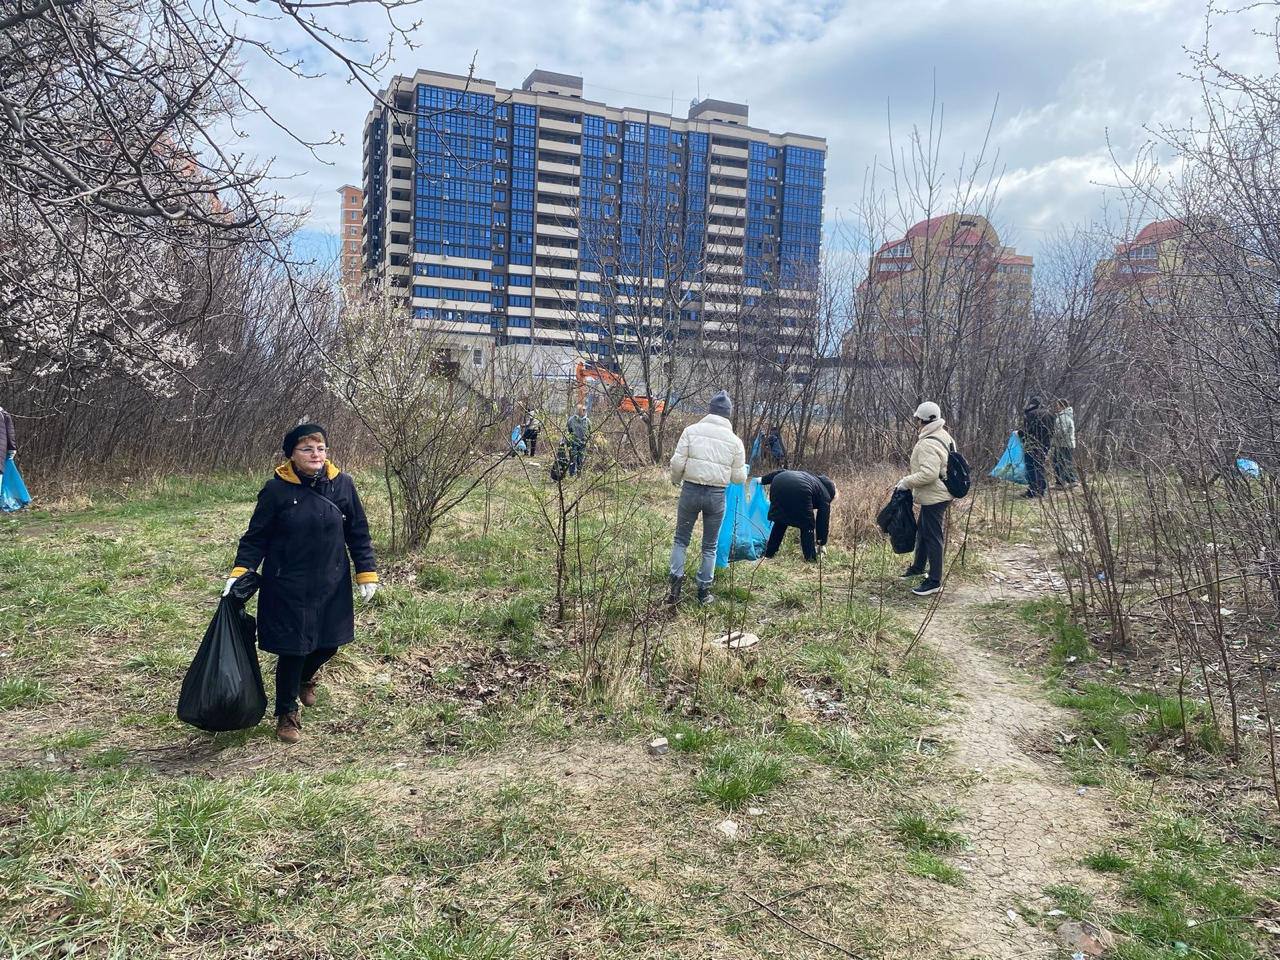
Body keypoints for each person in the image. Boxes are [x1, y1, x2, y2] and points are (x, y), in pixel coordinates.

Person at [224, 423, 378, 743]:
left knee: (329, 643)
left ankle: (306, 677)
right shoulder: (276, 490)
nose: (316, 454)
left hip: (331, 581)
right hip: (287, 583)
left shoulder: (343, 485)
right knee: (293, 649)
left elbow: (358, 532)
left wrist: (366, 571)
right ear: (292, 455)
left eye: (320, 448)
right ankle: (286, 714)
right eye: (307, 449)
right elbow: (256, 537)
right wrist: (240, 571)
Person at [667, 390, 747, 606]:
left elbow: (677, 463)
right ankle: (703, 592)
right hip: (716, 496)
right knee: (710, 545)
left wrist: (676, 480)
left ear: (710, 410)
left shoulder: (690, 431)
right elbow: (739, 478)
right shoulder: (735, 442)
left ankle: (674, 589)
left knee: (680, 539)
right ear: (728, 414)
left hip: (690, 491)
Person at [897, 401, 955, 597]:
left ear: (922, 420)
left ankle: (934, 581)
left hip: (935, 496)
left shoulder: (928, 443)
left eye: (917, 419)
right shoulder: (944, 435)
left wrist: (906, 482)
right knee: (923, 530)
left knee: (932, 536)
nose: (916, 422)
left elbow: (928, 474)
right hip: (943, 492)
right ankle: (918, 568)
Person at [760, 469, 836, 562]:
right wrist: (821, 543)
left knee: (781, 521)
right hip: (801, 489)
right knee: (807, 526)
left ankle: (769, 554)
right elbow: (822, 522)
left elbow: (783, 472)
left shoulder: (811, 478)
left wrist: (763, 480)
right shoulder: (825, 495)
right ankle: (810, 559)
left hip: (778, 482)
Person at [1019, 396, 1055, 498]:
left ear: (1032, 404)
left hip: (1033, 443)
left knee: (1031, 466)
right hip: (1046, 444)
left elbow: (1027, 431)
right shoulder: (1050, 414)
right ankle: (1041, 489)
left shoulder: (1030, 414)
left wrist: (1020, 434)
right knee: (1040, 465)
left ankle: (1032, 491)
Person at [1052, 399, 1078, 487]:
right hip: (1065, 444)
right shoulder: (1065, 416)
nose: (1056, 407)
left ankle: (1062, 483)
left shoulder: (1064, 417)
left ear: (1062, 406)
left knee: (1059, 463)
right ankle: (1070, 481)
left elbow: (1062, 431)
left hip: (1063, 444)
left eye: (1057, 405)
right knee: (1065, 462)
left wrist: (1052, 434)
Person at [565, 404, 591, 476]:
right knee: (573, 459)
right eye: (582, 410)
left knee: (580, 459)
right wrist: (567, 441)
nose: (584, 411)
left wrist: (588, 441)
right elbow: (567, 431)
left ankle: (579, 475)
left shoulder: (587, 421)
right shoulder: (571, 420)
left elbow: (590, 432)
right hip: (573, 443)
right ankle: (572, 474)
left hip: (583, 444)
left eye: (584, 410)